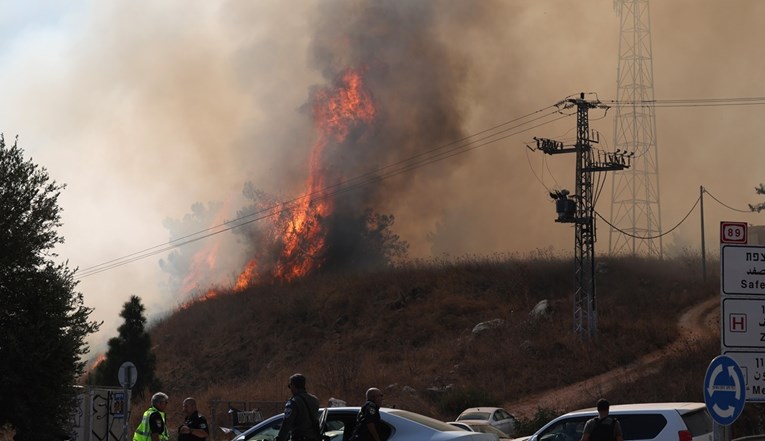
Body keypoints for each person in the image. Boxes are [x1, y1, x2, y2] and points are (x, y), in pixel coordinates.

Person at [275, 373, 321, 441]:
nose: (290, 388)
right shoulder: (314, 400)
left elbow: (287, 423)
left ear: (293, 385)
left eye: (290, 385)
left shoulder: (293, 402)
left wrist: (279, 439)